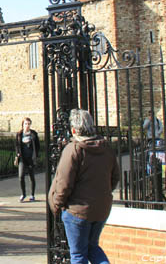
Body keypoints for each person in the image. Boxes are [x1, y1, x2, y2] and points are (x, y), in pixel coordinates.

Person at [48, 109, 120, 264]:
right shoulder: (106, 148)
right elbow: (114, 178)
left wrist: (57, 204)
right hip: (101, 209)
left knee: (78, 254)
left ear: (73, 130)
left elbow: (63, 184)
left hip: (77, 210)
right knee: (93, 248)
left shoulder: (74, 149)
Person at [15, 117, 40, 202]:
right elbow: (17, 145)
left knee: (31, 177)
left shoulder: (33, 134)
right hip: (22, 158)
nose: (27, 125)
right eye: (26, 124)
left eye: (29, 124)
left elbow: (37, 145)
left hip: (30, 158)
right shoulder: (19, 134)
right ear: (23, 124)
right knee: (21, 176)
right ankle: (23, 193)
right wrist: (18, 153)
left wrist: (35, 155)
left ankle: (32, 194)